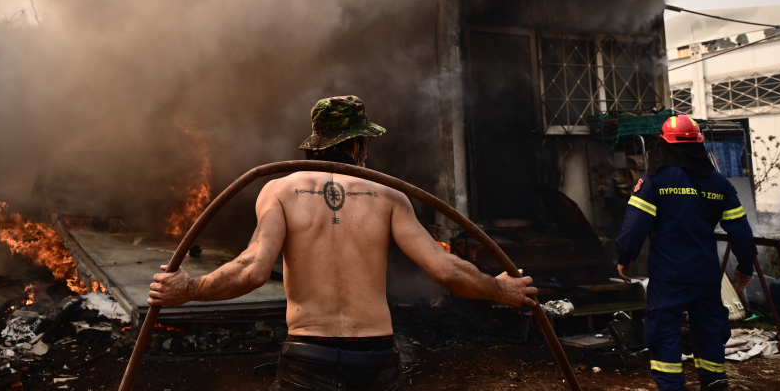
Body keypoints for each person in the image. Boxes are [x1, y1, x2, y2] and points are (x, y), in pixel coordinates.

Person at [149, 95, 538, 391]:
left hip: (307, 357)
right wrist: (499, 289)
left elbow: (252, 270)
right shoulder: (387, 194)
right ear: (356, 145)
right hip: (374, 359)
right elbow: (445, 269)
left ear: (317, 142)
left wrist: (189, 289)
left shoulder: (279, 190)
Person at [616, 114, 758, 391]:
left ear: (664, 145)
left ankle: (672, 386)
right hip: (705, 275)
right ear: (699, 144)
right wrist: (746, 266)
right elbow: (740, 230)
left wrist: (625, 258)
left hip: (668, 275)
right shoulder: (719, 184)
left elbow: (634, 227)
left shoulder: (654, 181)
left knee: (664, 330)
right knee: (709, 329)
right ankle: (715, 382)